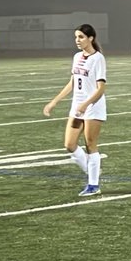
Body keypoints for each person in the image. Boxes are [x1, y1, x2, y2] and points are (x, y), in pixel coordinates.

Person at [43, 24, 107, 197]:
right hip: (77, 107)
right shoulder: (77, 56)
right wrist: (54, 102)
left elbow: (101, 88)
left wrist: (86, 104)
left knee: (90, 145)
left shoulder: (98, 58)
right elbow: (72, 82)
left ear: (91, 38)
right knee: (69, 144)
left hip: (93, 106)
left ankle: (93, 185)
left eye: (81, 37)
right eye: (76, 37)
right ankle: (92, 170)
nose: (77, 41)